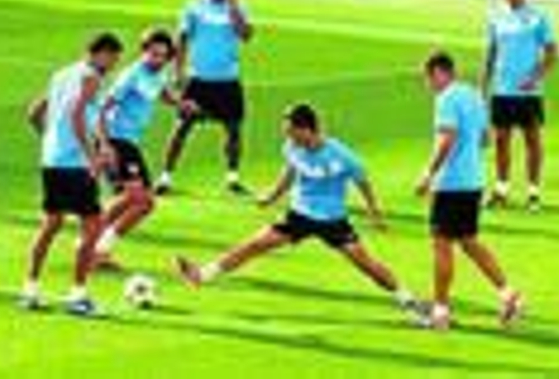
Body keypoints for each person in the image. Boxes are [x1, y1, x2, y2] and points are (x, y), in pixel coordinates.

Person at [175, 104, 425, 324]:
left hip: (333, 221)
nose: (288, 137)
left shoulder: (341, 156)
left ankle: (410, 301)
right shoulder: (292, 148)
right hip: (299, 215)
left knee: (367, 265)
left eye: (291, 131)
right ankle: (202, 274)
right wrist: (272, 196)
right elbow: (290, 172)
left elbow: (363, 182)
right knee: (253, 245)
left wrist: (374, 212)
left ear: (307, 129)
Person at [417, 52, 524, 331]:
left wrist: (429, 173)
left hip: (451, 184)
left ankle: (440, 310)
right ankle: (507, 293)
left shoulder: (447, 99)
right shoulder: (474, 95)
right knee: (469, 241)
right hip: (473, 181)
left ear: (439, 72)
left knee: (441, 244)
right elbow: (485, 139)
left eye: (427, 78)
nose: (428, 85)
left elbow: (447, 138)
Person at [21, 33, 125, 317]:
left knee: (51, 224)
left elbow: (34, 112)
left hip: (52, 161)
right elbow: (76, 116)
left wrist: (50, 141)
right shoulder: (91, 77)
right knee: (93, 226)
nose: (114, 65)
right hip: (75, 164)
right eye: (114, 58)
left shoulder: (61, 74)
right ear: (101, 53)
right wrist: (92, 156)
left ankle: (30, 289)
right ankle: (77, 295)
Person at [156, 0, 254, 197]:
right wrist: (178, 72)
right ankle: (165, 177)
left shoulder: (238, 8)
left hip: (227, 79)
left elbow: (246, 35)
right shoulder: (194, 8)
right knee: (182, 128)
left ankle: (232, 178)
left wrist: (233, 6)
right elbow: (181, 41)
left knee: (233, 130)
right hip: (198, 79)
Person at [93, 29, 181, 270]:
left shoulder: (161, 72)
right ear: (143, 52)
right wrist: (104, 144)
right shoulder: (130, 76)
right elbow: (102, 108)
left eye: (163, 56)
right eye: (152, 54)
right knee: (139, 199)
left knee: (143, 203)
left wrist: (179, 103)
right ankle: (92, 244)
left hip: (130, 142)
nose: (157, 60)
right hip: (116, 140)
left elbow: (161, 92)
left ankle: (98, 247)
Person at [481, 0, 558, 211]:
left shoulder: (537, 17)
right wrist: (483, 84)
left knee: (532, 141)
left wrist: (536, 77)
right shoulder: (496, 17)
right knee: (501, 140)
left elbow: (552, 52)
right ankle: (501, 189)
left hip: (528, 92)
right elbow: (491, 52)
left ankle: (533, 193)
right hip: (502, 90)